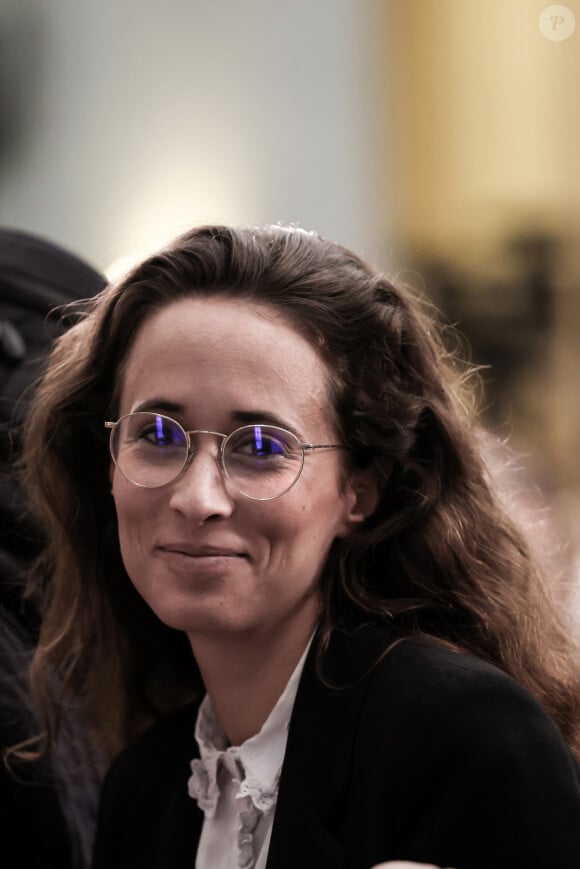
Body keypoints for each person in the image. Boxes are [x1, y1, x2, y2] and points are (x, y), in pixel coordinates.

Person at [15, 225, 580, 869]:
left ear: (359, 490)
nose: (197, 498)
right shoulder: (144, 790)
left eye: (260, 446)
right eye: (158, 434)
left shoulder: (464, 736)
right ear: (106, 464)